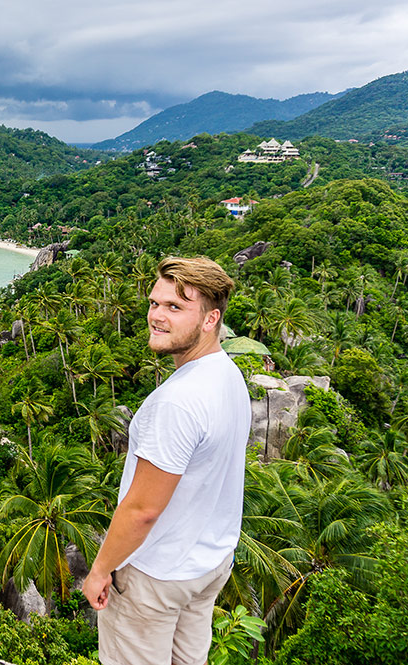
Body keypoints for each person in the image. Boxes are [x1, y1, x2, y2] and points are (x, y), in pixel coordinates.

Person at [81, 256, 250, 665]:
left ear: (210, 320)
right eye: (155, 303)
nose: (157, 316)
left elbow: (142, 510)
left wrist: (101, 570)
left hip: (156, 575)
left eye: (175, 307)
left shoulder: (176, 403)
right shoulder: (227, 374)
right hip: (208, 565)